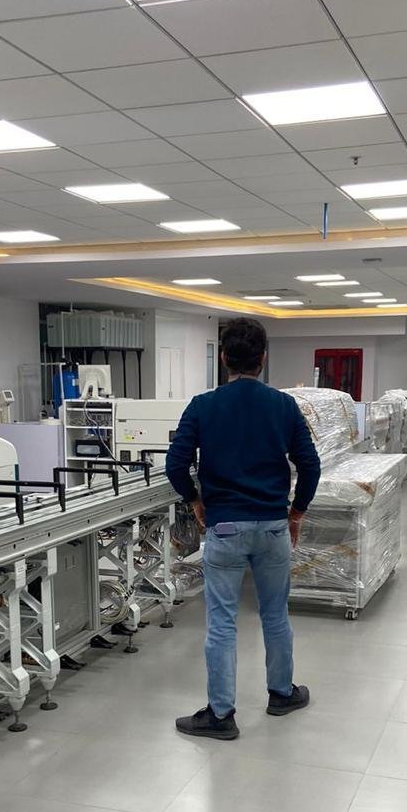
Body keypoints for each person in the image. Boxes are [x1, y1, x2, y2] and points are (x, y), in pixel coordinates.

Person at [165, 317, 321, 741]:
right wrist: (296, 513)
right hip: (272, 527)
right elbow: (310, 465)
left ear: (223, 358)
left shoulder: (202, 406)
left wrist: (195, 500)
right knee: (275, 614)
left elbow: (175, 465)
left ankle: (221, 714)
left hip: (225, 528)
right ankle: (282, 693)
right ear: (263, 359)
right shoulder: (284, 406)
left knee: (222, 623)